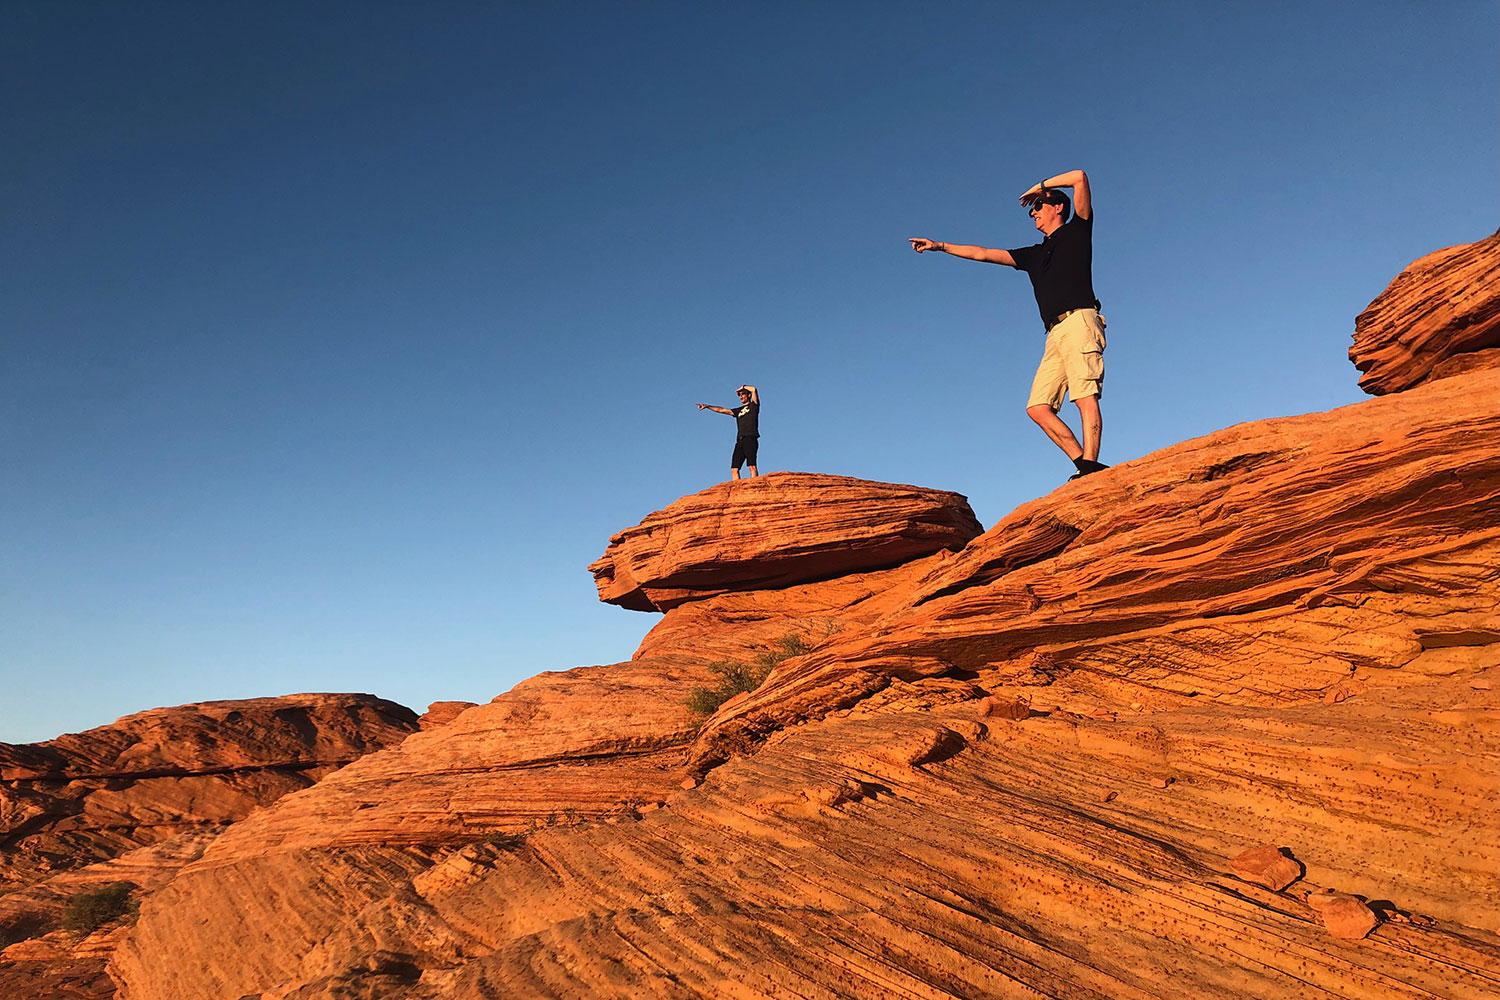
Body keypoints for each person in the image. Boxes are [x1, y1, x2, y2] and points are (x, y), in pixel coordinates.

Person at [909, 169, 1110, 482]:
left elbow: (1080, 178)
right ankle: (1083, 465)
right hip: (1054, 332)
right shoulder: (1032, 255)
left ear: (1058, 208)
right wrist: (940, 246)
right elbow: (983, 253)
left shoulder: (1078, 231)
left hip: (1080, 320)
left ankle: (1092, 464)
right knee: (1038, 407)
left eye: (1038, 207)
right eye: (1032, 209)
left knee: (1084, 394)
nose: (1032, 212)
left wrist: (1038, 187)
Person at [697, 384, 760, 479]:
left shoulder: (754, 406)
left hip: (750, 438)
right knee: (734, 469)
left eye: (743, 394)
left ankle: (755, 488)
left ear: (749, 395)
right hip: (740, 440)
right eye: (739, 395)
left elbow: (754, 389)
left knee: (751, 466)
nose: (741, 396)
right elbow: (722, 410)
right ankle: (737, 490)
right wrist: (707, 406)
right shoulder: (738, 411)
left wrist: (742, 387)